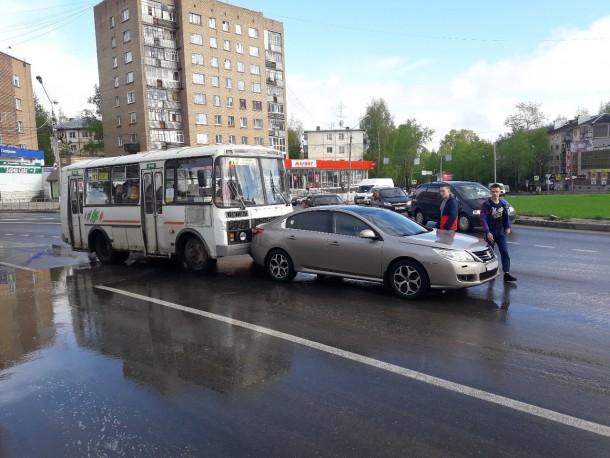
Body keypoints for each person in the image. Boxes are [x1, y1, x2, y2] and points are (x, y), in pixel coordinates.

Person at [481, 183, 516, 282]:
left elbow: (505, 217)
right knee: (490, 254)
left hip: (500, 232)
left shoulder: (503, 204)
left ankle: (506, 273)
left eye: (497, 192)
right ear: (490, 192)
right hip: (490, 233)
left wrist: (507, 227)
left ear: (500, 192)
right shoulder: (486, 205)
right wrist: (487, 232)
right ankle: (491, 273)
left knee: (504, 252)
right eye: (493, 192)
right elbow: (483, 219)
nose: (495, 194)